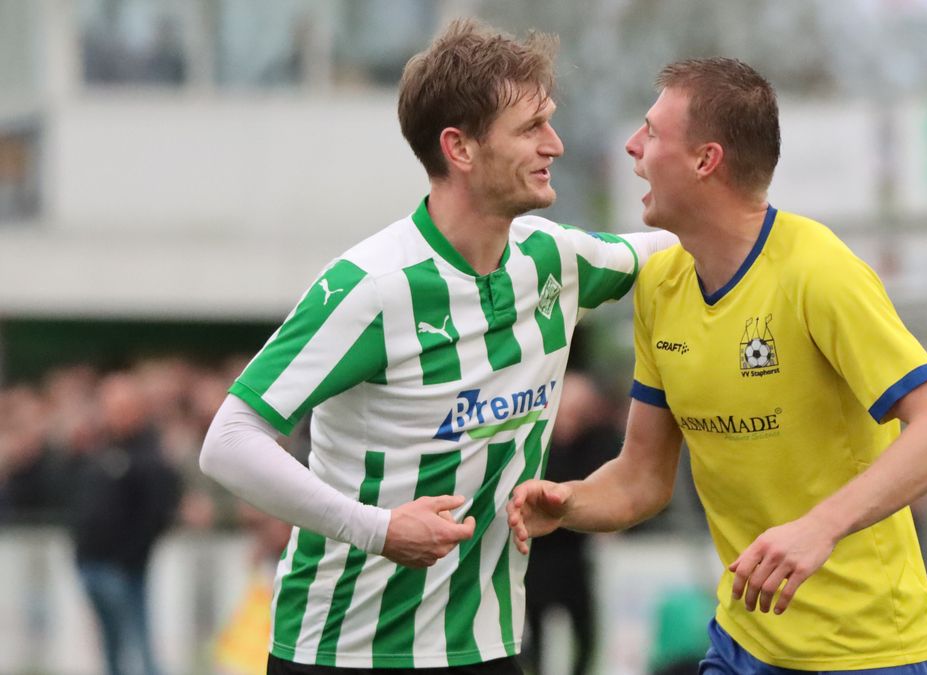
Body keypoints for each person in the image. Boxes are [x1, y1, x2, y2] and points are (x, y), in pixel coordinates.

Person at [199, 18, 674, 675]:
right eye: (530, 128)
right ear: (461, 148)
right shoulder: (373, 287)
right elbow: (228, 441)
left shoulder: (554, 261)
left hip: (489, 648)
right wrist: (380, 527)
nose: (555, 145)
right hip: (345, 652)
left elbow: (678, 250)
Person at [508, 57, 927, 674]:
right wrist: (567, 502)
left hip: (868, 653)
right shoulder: (661, 285)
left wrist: (821, 527)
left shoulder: (818, 271)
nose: (632, 146)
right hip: (743, 644)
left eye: (651, 132)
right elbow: (642, 480)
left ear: (706, 160)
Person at [71, 373, 181, 675]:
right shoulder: (99, 450)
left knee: (139, 645)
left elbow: (159, 513)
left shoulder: (150, 455)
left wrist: (130, 557)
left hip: (125, 569)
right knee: (110, 647)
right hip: (92, 563)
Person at [520, 372, 617, 675]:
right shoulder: (538, 440)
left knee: (584, 628)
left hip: (573, 551)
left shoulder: (597, 441)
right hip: (537, 551)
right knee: (534, 627)